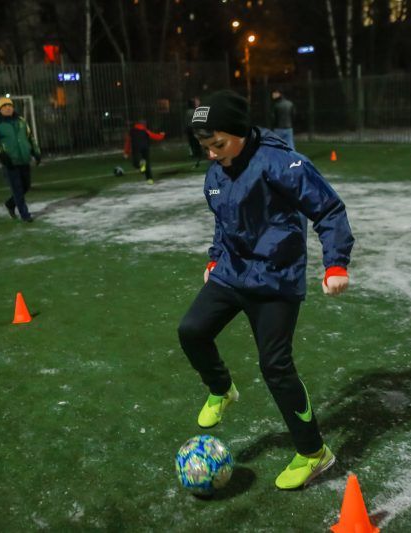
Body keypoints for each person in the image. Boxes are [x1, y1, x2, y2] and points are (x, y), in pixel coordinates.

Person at [177, 90, 354, 490]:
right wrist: (213, 258)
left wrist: (336, 263)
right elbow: (223, 224)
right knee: (191, 331)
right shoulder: (216, 172)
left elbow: (328, 210)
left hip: (276, 279)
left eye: (218, 144)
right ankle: (222, 389)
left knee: (275, 367)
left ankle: (314, 454)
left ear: (240, 132)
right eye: (205, 147)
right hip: (232, 273)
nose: (211, 154)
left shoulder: (282, 162)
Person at [0, 96, 41, 223]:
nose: (8, 108)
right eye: (4, 106)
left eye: (10, 105)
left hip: (24, 160)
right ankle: (25, 215)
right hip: (10, 162)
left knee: (26, 186)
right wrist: (2, 154)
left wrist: (36, 152)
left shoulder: (21, 121)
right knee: (17, 188)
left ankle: (10, 204)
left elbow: (30, 138)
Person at [123, 119, 165, 184]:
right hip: (145, 148)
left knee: (136, 162)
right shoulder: (145, 131)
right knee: (147, 163)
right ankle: (150, 179)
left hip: (136, 147)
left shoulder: (131, 131)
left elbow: (127, 142)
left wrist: (126, 152)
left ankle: (141, 164)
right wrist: (162, 135)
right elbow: (154, 136)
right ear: (144, 125)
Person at [184, 97, 204, 168]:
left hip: (192, 129)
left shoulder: (190, 111)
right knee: (196, 143)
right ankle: (198, 155)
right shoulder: (193, 111)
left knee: (194, 143)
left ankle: (197, 154)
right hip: (193, 129)